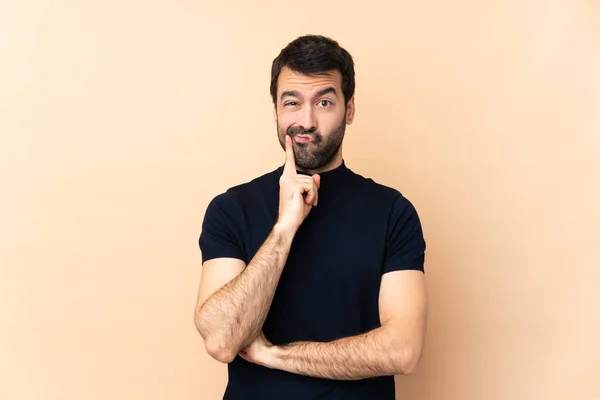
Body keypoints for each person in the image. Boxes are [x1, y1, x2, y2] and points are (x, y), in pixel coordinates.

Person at [194, 34, 428, 400]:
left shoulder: (393, 212)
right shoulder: (231, 209)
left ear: (349, 109)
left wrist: (276, 355)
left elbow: (403, 349)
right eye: (292, 102)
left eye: (323, 101)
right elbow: (223, 340)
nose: (306, 120)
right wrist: (285, 228)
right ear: (275, 110)